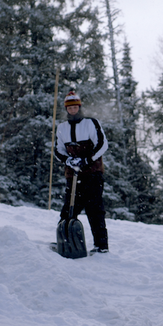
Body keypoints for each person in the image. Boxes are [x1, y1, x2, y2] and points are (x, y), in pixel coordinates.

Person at [54, 91, 110, 254]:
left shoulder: (91, 123)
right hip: (73, 176)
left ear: (79, 107)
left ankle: (101, 246)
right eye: (69, 107)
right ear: (66, 109)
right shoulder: (62, 128)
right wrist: (68, 160)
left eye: (75, 106)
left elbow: (102, 144)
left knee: (95, 210)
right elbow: (58, 150)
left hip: (92, 174)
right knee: (68, 210)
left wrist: (87, 159)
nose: (73, 110)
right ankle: (66, 242)